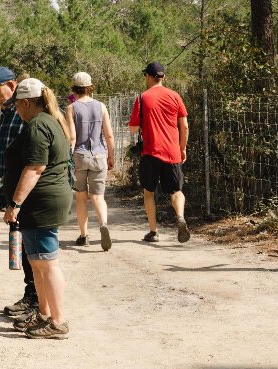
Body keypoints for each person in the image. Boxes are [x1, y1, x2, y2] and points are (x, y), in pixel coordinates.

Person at [2, 78, 72, 339]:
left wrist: (15, 204)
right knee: (37, 262)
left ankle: (58, 322)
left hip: (41, 203)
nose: (16, 111)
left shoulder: (38, 126)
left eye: (17, 105)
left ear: (27, 102)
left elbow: (34, 168)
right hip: (38, 204)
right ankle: (44, 315)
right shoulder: (48, 122)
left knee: (47, 263)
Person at [0, 66, 37, 317]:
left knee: (33, 247)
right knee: (22, 244)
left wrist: (18, 196)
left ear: (12, 85)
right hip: (10, 187)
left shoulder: (23, 112)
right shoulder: (6, 112)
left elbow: (32, 157)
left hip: (26, 191)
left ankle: (36, 300)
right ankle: (31, 296)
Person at [128, 61, 191, 243]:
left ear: (148, 76)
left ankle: (153, 232)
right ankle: (179, 216)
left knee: (149, 192)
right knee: (176, 191)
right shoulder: (175, 96)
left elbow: (133, 129)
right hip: (172, 152)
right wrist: (182, 148)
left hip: (150, 152)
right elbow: (184, 126)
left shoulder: (142, 98)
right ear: (163, 77)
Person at [65, 71, 114, 251]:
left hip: (79, 156)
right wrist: (111, 156)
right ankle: (103, 224)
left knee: (80, 197)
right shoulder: (101, 106)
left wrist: (68, 160)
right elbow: (108, 135)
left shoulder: (71, 108)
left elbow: (72, 138)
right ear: (90, 87)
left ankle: (84, 235)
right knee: (98, 196)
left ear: (74, 88)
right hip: (99, 156)